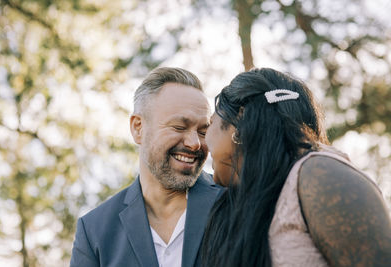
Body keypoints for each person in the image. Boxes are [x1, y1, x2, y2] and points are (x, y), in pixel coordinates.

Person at [202, 68, 391, 267]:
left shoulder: (322, 178)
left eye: (209, 124)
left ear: (240, 118)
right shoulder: (242, 202)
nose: (202, 143)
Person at [70, 67, 222, 267]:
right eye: (179, 127)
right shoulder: (94, 231)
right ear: (138, 128)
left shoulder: (235, 203)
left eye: (203, 132)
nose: (194, 143)